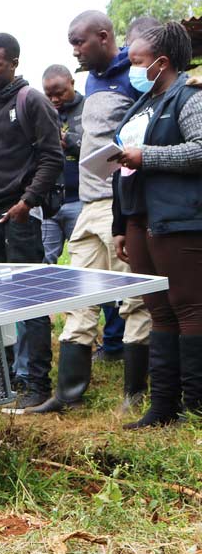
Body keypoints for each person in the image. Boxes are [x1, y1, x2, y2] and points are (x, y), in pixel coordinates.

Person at [25, 11, 152, 415]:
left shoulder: (136, 72)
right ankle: (68, 395)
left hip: (121, 204)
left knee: (133, 298)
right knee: (78, 296)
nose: (75, 51)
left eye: (79, 42)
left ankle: (134, 394)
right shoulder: (93, 80)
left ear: (103, 36)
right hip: (89, 203)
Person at [0, 32, 63, 411]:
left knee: (29, 302)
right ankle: (2, 381)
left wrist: (27, 202)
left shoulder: (31, 100)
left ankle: (36, 384)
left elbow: (52, 157)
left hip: (19, 216)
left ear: (14, 63)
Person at [112, 23, 202, 429]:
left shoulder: (190, 96)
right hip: (139, 217)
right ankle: (163, 406)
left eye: (136, 61)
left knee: (189, 307)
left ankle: (195, 408)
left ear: (161, 62)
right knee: (158, 310)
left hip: (179, 218)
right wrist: (120, 222)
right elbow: (122, 163)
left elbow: (199, 149)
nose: (131, 68)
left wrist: (146, 156)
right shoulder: (141, 104)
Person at [40, 64, 85, 264]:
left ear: (72, 83)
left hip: (81, 200)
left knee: (83, 259)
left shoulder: (89, 107)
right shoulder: (42, 113)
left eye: (60, 93)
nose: (54, 100)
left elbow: (100, 149)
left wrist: (70, 142)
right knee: (43, 263)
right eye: (49, 95)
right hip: (49, 204)